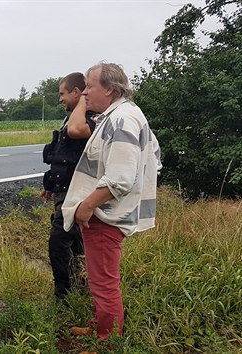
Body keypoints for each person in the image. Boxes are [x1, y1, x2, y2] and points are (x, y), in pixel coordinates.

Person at [62, 63, 161, 341]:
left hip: (107, 215)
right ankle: (99, 325)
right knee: (99, 278)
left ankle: (107, 340)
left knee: (105, 282)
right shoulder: (120, 115)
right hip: (108, 212)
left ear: (109, 89)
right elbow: (153, 153)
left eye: (90, 86)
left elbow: (121, 177)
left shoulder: (123, 119)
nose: (85, 93)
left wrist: (87, 205)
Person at [41, 72, 96, 300]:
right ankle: (79, 287)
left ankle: (63, 296)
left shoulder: (92, 118)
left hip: (78, 194)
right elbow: (62, 156)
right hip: (65, 192)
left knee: (59, 243)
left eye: (63, 93)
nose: (60, 99)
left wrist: (83, 101)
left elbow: (75, 134)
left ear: (76, 92)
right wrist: (51, 184)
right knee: (74, 245)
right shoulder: (72, 117)